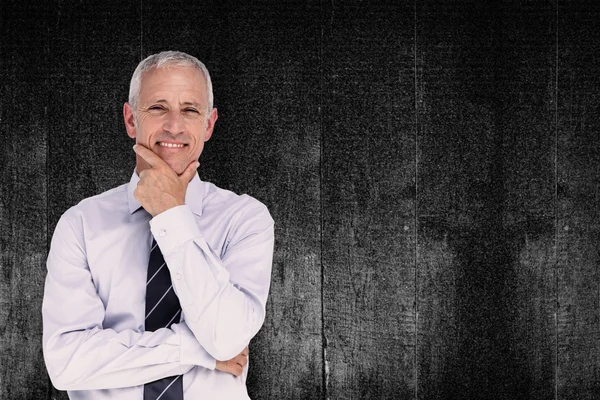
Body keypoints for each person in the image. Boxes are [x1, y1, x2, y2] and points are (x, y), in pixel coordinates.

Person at [42, 51, 274, 399]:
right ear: (131, 120)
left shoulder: (245, 219)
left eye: (190, 110)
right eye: (158, 108)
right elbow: (67, 364)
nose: (174, 126)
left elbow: (225, 339)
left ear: (208, 125)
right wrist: (195, 350)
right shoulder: (80, 225)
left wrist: (171, 214)